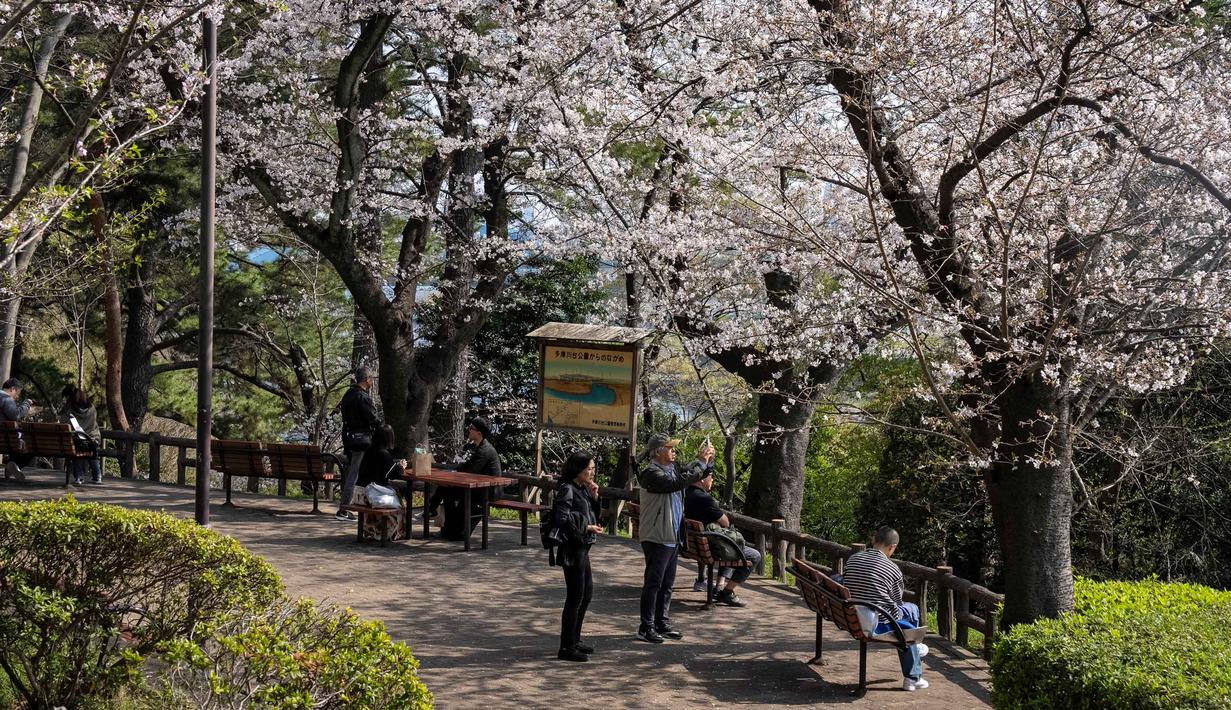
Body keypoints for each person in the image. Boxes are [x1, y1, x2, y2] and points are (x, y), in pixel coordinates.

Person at [635, 433, 715, 644]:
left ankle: (662, 622)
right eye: (670, 448)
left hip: (671, 535)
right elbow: (678, 482)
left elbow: (693, 475)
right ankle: (646, 626)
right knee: (653, 583)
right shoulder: (651, 473)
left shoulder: (672, 470)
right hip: (656, 535)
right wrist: (700, 462)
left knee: (667, 583)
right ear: (658, 451)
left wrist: (707, 461)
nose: (674, 452)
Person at [843, 526, 930, 692]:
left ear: (873, 540)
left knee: (908, 614)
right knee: (912, 611)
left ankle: (913, 650)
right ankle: (913, 673)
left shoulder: (853, 558)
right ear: (892, 547)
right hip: (878, 622)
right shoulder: (892, 568)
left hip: (851, 614)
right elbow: (897, 602)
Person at [552, 450, 603, 662]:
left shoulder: (582, 488)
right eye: (588, 469)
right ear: (578, 469)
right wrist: (587, 527)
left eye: (593, 468)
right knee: (575, 597)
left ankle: (575, 638)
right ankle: (566, 646)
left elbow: (593, 514)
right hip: (572, 549)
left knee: (586, 594)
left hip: (583, 547)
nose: (591, 472)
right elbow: (561, 518)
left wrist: (594, 497)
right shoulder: (567, 489)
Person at [683, 469, 761, 607]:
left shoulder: (687, 494)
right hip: (713, 548)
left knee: (729, 546)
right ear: (702, 479)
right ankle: (727, 592)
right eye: (711, 477)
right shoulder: (704, 498)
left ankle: (719, 587)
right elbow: (725, 522)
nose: (712, 480)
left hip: (697, 546)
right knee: (754, 555)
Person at [433, 416, 502, 540]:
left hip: (487, 491)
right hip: (477, 487)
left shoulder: (485, 450)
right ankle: (447, 527)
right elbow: (465, 466)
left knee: (448, 491)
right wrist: (455, 470)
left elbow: (471, 471)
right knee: (446, 490)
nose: (468, 430)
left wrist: (456, 471)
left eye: (471, 428)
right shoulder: (475, 446)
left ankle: (434, 511)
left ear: (479, 433)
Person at [336, 366, 381, 520]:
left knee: (354, 472)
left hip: (349, 438)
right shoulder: (362, 397)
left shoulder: (349, 394)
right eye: (372, 378)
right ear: (367, 379)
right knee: (354, 473)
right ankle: (343, 508)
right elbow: (372, 418)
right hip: (361, 440)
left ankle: (355, 505)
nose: (373, 381)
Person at [60, 385, 102, 485]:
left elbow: (64, 424)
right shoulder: (92, 408)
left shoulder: (69, 410)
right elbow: (93, 425)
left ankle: (79, 477)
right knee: (92, 452)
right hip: (93, 439)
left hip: (77, 440)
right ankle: (97, 476)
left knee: (76, 450)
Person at [1, 377, 34, 482]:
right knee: (30, 445)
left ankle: (11, 466)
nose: (17, 396)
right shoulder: (5, 399)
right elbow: (16, 415)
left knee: (15, 440)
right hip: (6, 440)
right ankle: (14, 464)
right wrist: (27, 403)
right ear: (12, 389)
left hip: (5, 438)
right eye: (18, 393)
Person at [356, 424, 406, 488]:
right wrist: (402, 467)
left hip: (361, 487)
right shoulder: (384, 454)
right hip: (374, 491)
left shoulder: (369, 450)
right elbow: (393, 474)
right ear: (390, 438)